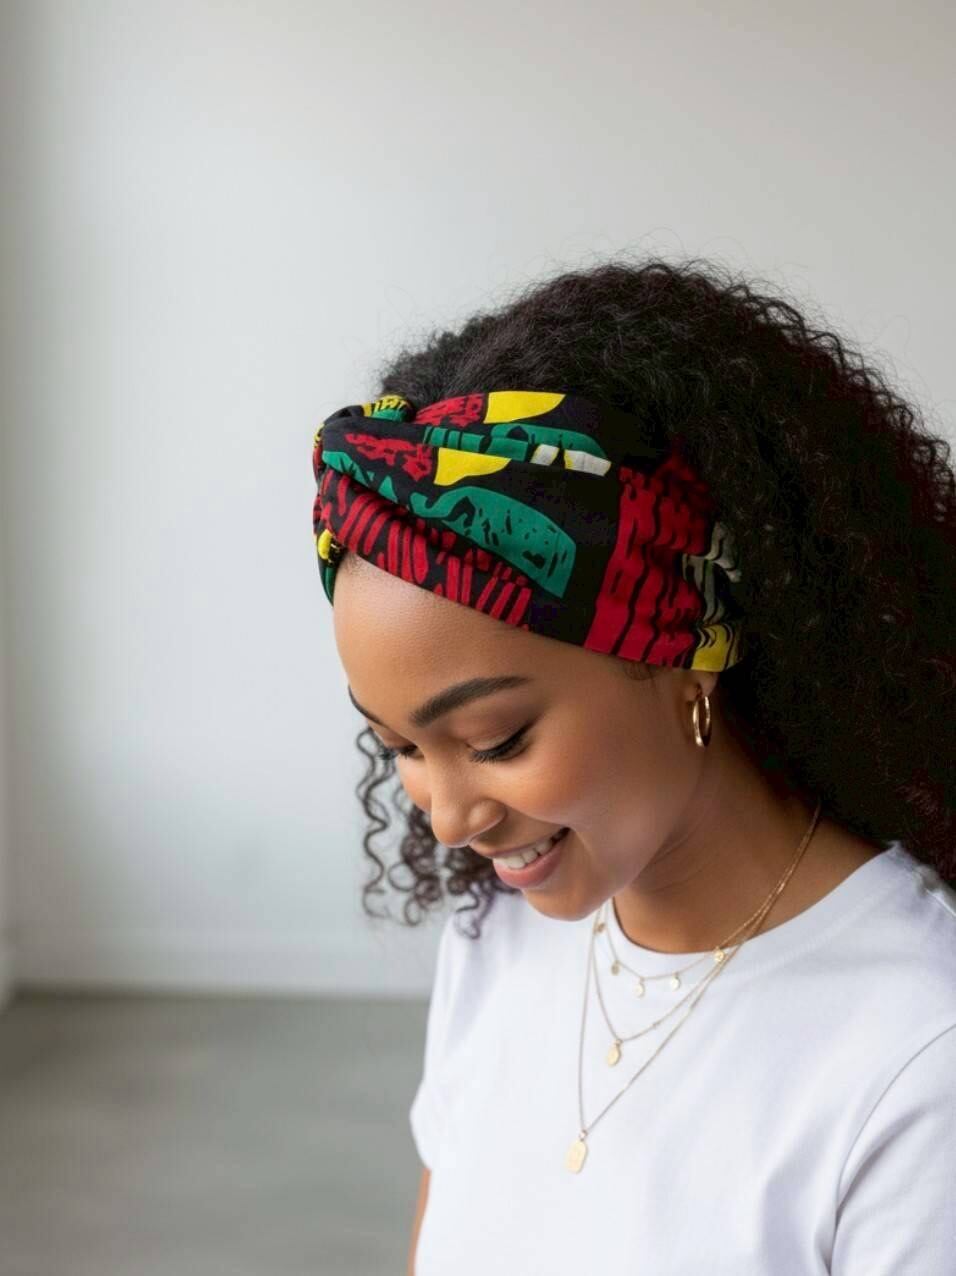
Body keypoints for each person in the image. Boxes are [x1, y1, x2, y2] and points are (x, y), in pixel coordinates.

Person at [309, 257, 956, 1274]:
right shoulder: (497, 936)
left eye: (496, 740)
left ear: (682, 647)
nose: (446, 819)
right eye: (400, 748)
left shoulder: (919, 1052)